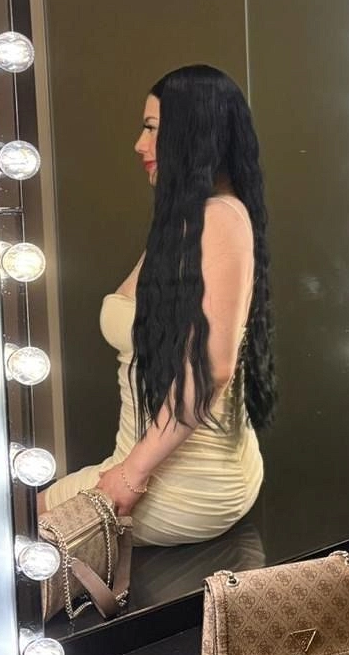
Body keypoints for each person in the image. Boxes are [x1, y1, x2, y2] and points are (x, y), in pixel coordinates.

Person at [41, 64, 275, 546]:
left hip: (185, 483)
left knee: (14, 531)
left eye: (152, 129)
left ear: (192, 134)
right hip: (155, 463)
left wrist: (129, 476)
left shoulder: (219, 220)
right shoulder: (189, 220)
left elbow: (213, 369)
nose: (139, 144)